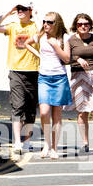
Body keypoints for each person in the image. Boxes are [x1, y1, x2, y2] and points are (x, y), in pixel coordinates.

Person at [0, 1, 39, 159]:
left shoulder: (34, 26)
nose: (20, 11)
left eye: (24, 9)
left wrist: (36, 15)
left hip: (33, 70)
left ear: (30, 11)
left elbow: (47, 30)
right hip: (16, 71)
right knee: (17, 106)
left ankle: (27, 141)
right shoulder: (12, 26)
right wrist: (8, 12)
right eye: (19, 9)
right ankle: (17, 141)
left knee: (30, 109)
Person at [23, 10, 72, 158]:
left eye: (49, 22)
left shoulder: (64, 37)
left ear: (56, 24)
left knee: (57, 114)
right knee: (44, 112)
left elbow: (67, 59)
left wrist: (56, 46)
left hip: (59, 78)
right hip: (44, 77)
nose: (45, 24)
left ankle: (54, 149)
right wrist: (38, 55)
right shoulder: (41, 36)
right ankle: (47, 144)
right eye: (44, 21)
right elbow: (26, 43)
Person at [68, 12, 93, 155]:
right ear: (76, 26)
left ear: (90, 25)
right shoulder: (71, 40)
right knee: (82, 112)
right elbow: (66, 57)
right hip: (78, 76)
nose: (83, 26)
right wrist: (77, 59)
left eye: (86, 24)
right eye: (80, 24)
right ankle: (85, 142)